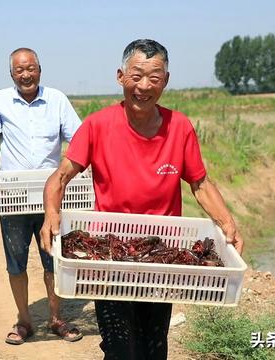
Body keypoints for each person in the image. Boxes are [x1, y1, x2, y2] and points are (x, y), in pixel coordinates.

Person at [40, 39, 244, 359]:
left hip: (161, 259)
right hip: (109, 258)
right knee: (121, 348)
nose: (144, 86)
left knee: (153, 345)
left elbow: (200, 184)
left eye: (155, 77)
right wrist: (51, 213)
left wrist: (228, 223)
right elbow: (61, 176)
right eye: (136, 76)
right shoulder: (97, 125)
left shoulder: (180, 127)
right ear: (121, 77)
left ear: (166, 79)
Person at [0, 47, 84, 345]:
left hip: (52, 195)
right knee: (16, 262)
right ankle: (24, 321)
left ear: (40, 70)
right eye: (19, 70)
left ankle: (56, 318)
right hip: (14, 195)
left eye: (31, 68)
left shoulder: (57, 100)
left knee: (55, 260)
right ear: (12, 74)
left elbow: (78, 138)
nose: (26, 74)